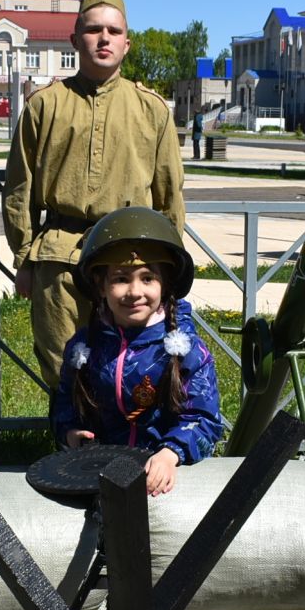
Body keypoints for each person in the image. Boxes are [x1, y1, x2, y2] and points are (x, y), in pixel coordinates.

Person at [5, 0, 185, 389]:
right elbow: (19, 190)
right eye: (93, 30)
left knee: (130, 363)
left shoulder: (151, 110)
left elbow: (169, 195)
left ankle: (124, 451)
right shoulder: (45, 105)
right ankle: (71, 447)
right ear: (74, 40)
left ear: (126, 42)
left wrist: (170, 267)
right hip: (58, 258)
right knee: (61, 364)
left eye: (113, 30)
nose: (104, 38)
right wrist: (24, 258)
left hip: (129, 260)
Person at [50, 207, 222, 496]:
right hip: (98, 476)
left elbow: (203, 419)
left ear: (165, 284)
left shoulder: (185, 351)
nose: (134, 292)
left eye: (147, 278)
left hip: (166, 479)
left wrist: (171, 453)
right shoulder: (84, 348)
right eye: (120, 279)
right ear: (100, 286)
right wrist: (70, 432)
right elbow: (66, 401)